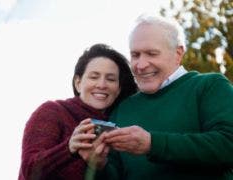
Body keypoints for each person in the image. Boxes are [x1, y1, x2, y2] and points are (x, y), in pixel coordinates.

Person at [95, 15, 233, 179]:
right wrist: (99, 164)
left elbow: (228, 144)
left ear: (178, 53)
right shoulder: (122, 109)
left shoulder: (209, 86)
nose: (141, 65)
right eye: (135, 55)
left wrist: (152, 144)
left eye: (151, 54)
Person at [18, 43, 137, 180]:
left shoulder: (119, 128)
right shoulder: (53, 111)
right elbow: (30, 170)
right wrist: (69, 149)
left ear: (118, 89)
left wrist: (100, 166)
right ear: (78, 83)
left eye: (110, 79)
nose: (102, 85)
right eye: (94, 77)